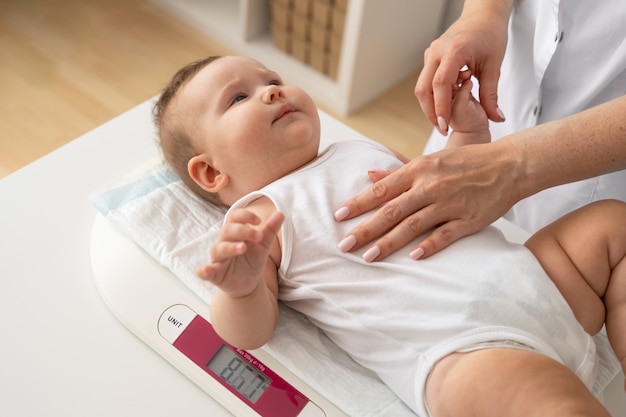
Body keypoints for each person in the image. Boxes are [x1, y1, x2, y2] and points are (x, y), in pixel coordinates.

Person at [152, 55, 626, 417]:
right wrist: (240, 288)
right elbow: (248, 333)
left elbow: (449, 195)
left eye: (272, 81)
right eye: (239, 99)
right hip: (467, 350)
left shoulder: (358, 149)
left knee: (611, 225)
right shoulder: (260, 218)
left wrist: (467, 136)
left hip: (543, 280)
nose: (272, 92)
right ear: (211, 171)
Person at [333, 0, 626, 262]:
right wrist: (485, 12)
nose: (284, 95)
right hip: (499, 104)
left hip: (594, 179)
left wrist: (508, 166)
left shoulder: (356, 157)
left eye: (283, 82)